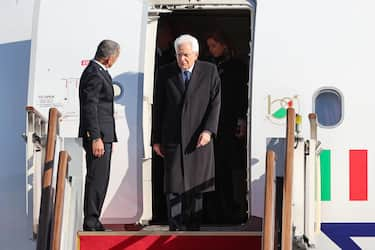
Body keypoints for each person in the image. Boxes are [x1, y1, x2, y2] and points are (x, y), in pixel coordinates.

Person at [151, 34, 221, 231]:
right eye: (179, 55)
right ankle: (175, 226)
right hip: (172, 138)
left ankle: (193, 226)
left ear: (196, 54)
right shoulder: (166, 72)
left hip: (199, 138)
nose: (182, 59)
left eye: (186, 55)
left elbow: (215, 104)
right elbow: (159, 107)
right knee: (173, 185)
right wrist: (156, 139)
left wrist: (208, 131)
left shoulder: (209, 71)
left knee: (197, 185)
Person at [205, 31, 248, 224]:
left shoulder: (236, 66)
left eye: (214, 45)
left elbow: (240, 95)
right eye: (209, 46)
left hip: (230, 122)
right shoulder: (209, 66)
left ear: (223, 45)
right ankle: (216, 209)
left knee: (230, 167)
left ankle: (233, 207)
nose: (211, 50)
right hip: (214, 123)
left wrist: (241, 119)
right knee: (216, 168)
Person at [78, 40, 120, 231]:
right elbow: (90, 107)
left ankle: (95, 219)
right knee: (97, 178)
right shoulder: (94, 74)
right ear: (109, 58)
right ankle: (91, 221)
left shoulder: (99, 71)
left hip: (104, 135)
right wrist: (95, 137)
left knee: (101, 179)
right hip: (99, 136)